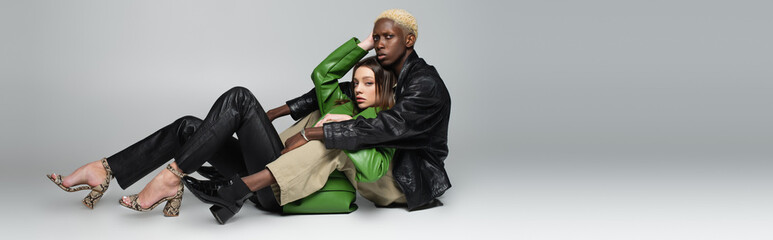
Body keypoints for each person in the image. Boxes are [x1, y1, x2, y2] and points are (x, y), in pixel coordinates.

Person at [45, 36, 396, 218]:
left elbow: (372, 170)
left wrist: (343, 129)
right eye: (357, 82)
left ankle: (172, 177)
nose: (360, 90)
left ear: (386, 91)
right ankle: (104, 169)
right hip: (268, 163)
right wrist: (365, 42)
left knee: (241, 98)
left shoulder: (377, 123)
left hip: (286, 186)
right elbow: (323, 73)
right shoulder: (339, 100)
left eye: (369, 84)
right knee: (187, 127)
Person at [188, 8, 452, 222]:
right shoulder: (389, 71)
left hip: (408, 178)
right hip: (386, 156)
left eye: (387, 37)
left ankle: (242, 187)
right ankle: (254, 174)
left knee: (336, 138)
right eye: (377, 38)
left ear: (409, 40)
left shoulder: (424, 83)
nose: (380, 44)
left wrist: (313, 133)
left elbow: (387, 126)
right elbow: (328, 82)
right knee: (326, 116)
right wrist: (364, 45)